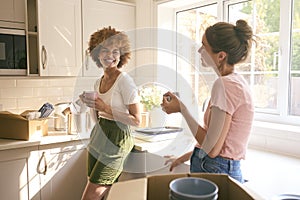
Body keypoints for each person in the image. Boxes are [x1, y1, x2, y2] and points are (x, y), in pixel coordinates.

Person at [161, 19, 254, 183]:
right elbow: (219, 143)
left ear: (221, 56)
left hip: (214, 168)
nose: (199, 50)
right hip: (218, 167)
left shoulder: (224, 85)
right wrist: (184, 157)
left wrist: (182, 109)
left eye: (204, 46)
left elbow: (212, 150)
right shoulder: (235, 83)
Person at [80, 26, 141, 200]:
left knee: (90, 196)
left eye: (115, 51)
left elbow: (137, 120)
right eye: (105, 50)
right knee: (94, 189)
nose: (110, 56)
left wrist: (105, 107)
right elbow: (97, 118)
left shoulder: (125, 81)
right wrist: (91, 105)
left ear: (121, 55)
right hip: (99, 135)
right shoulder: (98, 82)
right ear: (97, 54)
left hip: (118, 138)